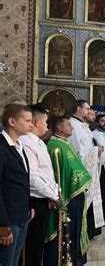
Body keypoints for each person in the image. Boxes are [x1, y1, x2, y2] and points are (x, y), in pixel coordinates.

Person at [43, 116, 92, 266]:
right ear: (59, 127)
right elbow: (68, 171)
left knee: (73, 229)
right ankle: (71, 259)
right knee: (69, 230)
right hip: (69, 195)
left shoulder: (63, 144)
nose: (71, 127)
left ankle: (75, 257)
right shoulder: (56, 146)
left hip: (74, 193)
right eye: (68, 125)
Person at [20, 105, 59, 266]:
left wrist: (53, 191)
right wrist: (52, 194)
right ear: (37, 123)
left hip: (44, 198)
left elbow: (47, 173)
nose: (48, 126)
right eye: (46, 122)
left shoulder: (40, 143)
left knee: (38, 244)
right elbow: (33, 177)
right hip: (34, 200)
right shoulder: (26, 142)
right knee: (32, 244)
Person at [0, 103, 33, 266]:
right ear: (12, 121)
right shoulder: (2, 147)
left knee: (14, 262)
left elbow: (21, 182)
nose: (30, 124)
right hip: (8, 219)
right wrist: (3, 224)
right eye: (27, 120)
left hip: (22, 215)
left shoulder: (20, 146)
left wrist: (29, 207)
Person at [68, 100, 104, 238]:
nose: (89, 112)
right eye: (87, 109)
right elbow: (78, 152)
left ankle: (88, 232)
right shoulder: (73, 125)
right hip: (82, 173)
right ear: (78, 108)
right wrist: (96, 150)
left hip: (91, 169)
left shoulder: (82, 125)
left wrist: (96, 150)